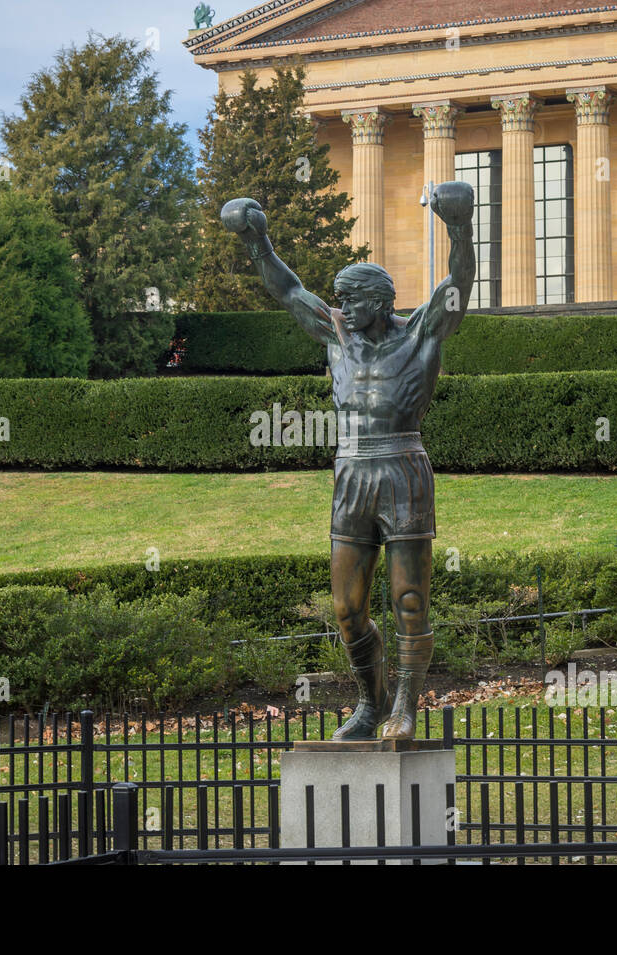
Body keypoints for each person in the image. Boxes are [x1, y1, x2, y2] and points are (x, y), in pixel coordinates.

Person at [221, 182, 476, 739]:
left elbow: (458, 284)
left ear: (381, 301)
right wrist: (257, 240)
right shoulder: (338, 335)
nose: (341, 307)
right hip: (351, 473)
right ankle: (372, 703)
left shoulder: (421, 334)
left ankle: (404, 709)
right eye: (339, 297)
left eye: (352, 298)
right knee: (346, 609)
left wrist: (459, 226)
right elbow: (288, 290)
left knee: (409, 600)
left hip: (403, 468)